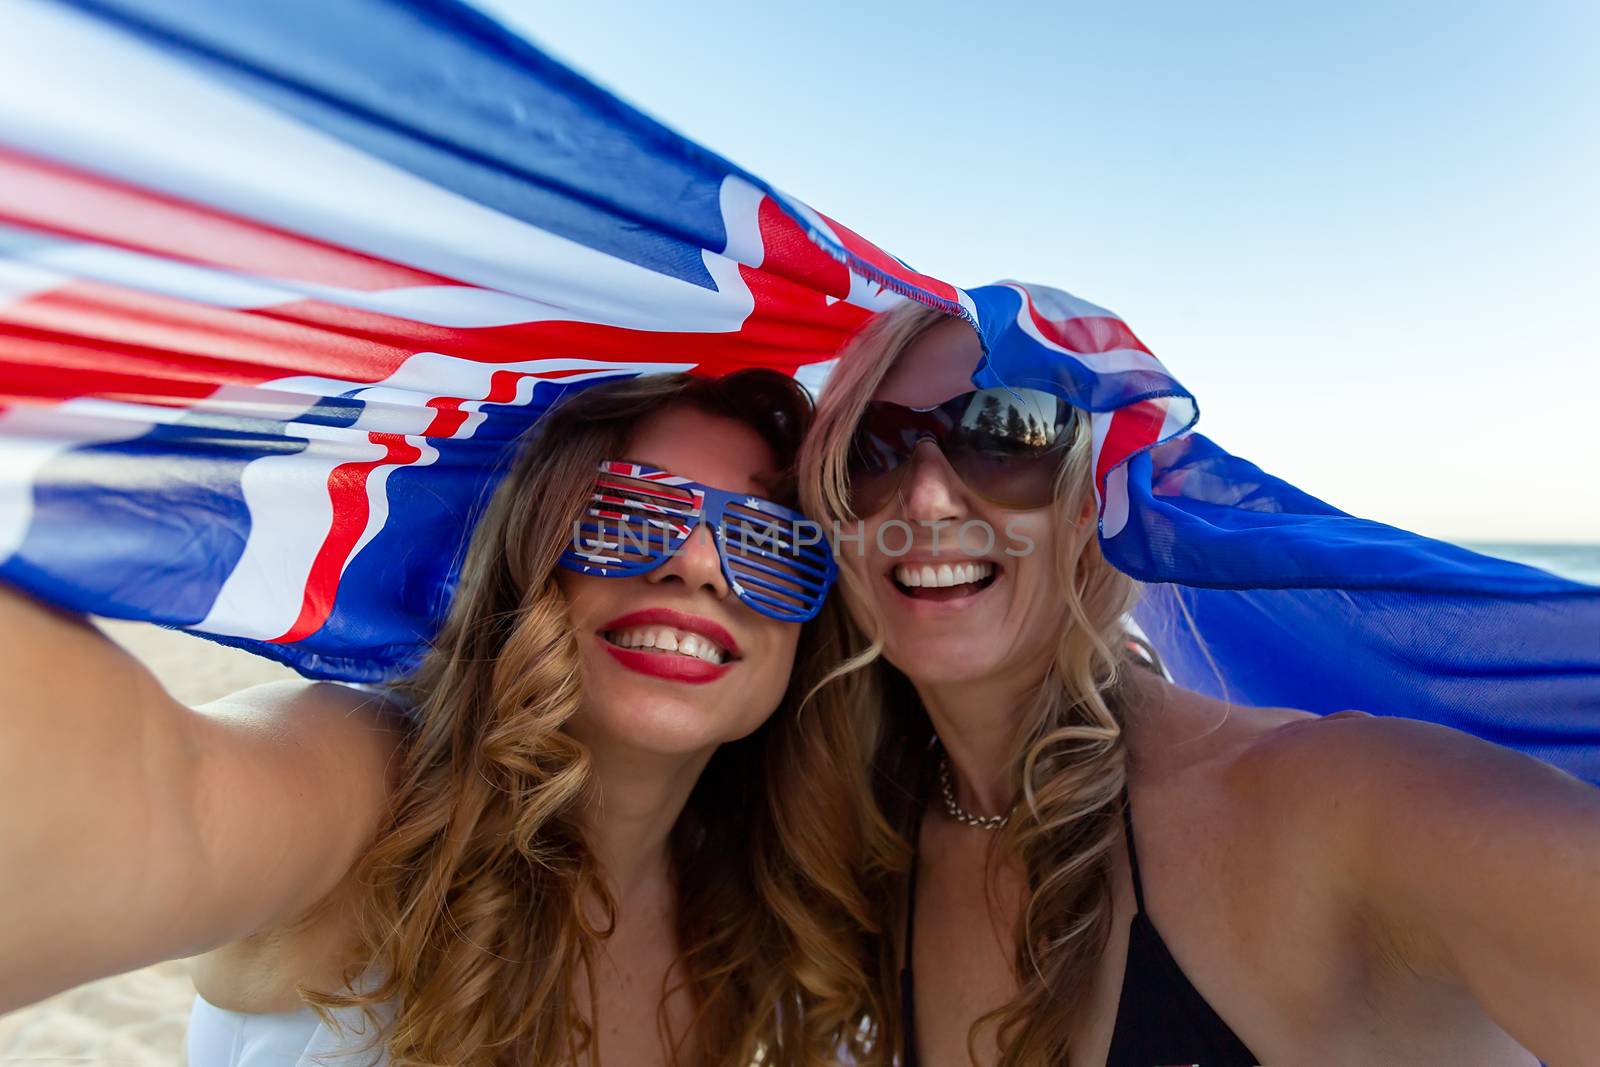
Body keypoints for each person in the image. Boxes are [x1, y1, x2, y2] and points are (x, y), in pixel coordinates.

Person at [0, 369, 884, 1067]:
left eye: (772, 544)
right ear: (535, 549)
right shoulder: (383, 792)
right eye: (626, 512)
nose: (697, 564)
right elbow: (166, 792)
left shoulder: (759, 918)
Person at [798, 302, 1600, 1066]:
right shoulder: (871, 851)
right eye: (874, 450)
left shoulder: (1328, 808)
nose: (927, 497)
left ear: (1090, 500)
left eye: (1002, 433)